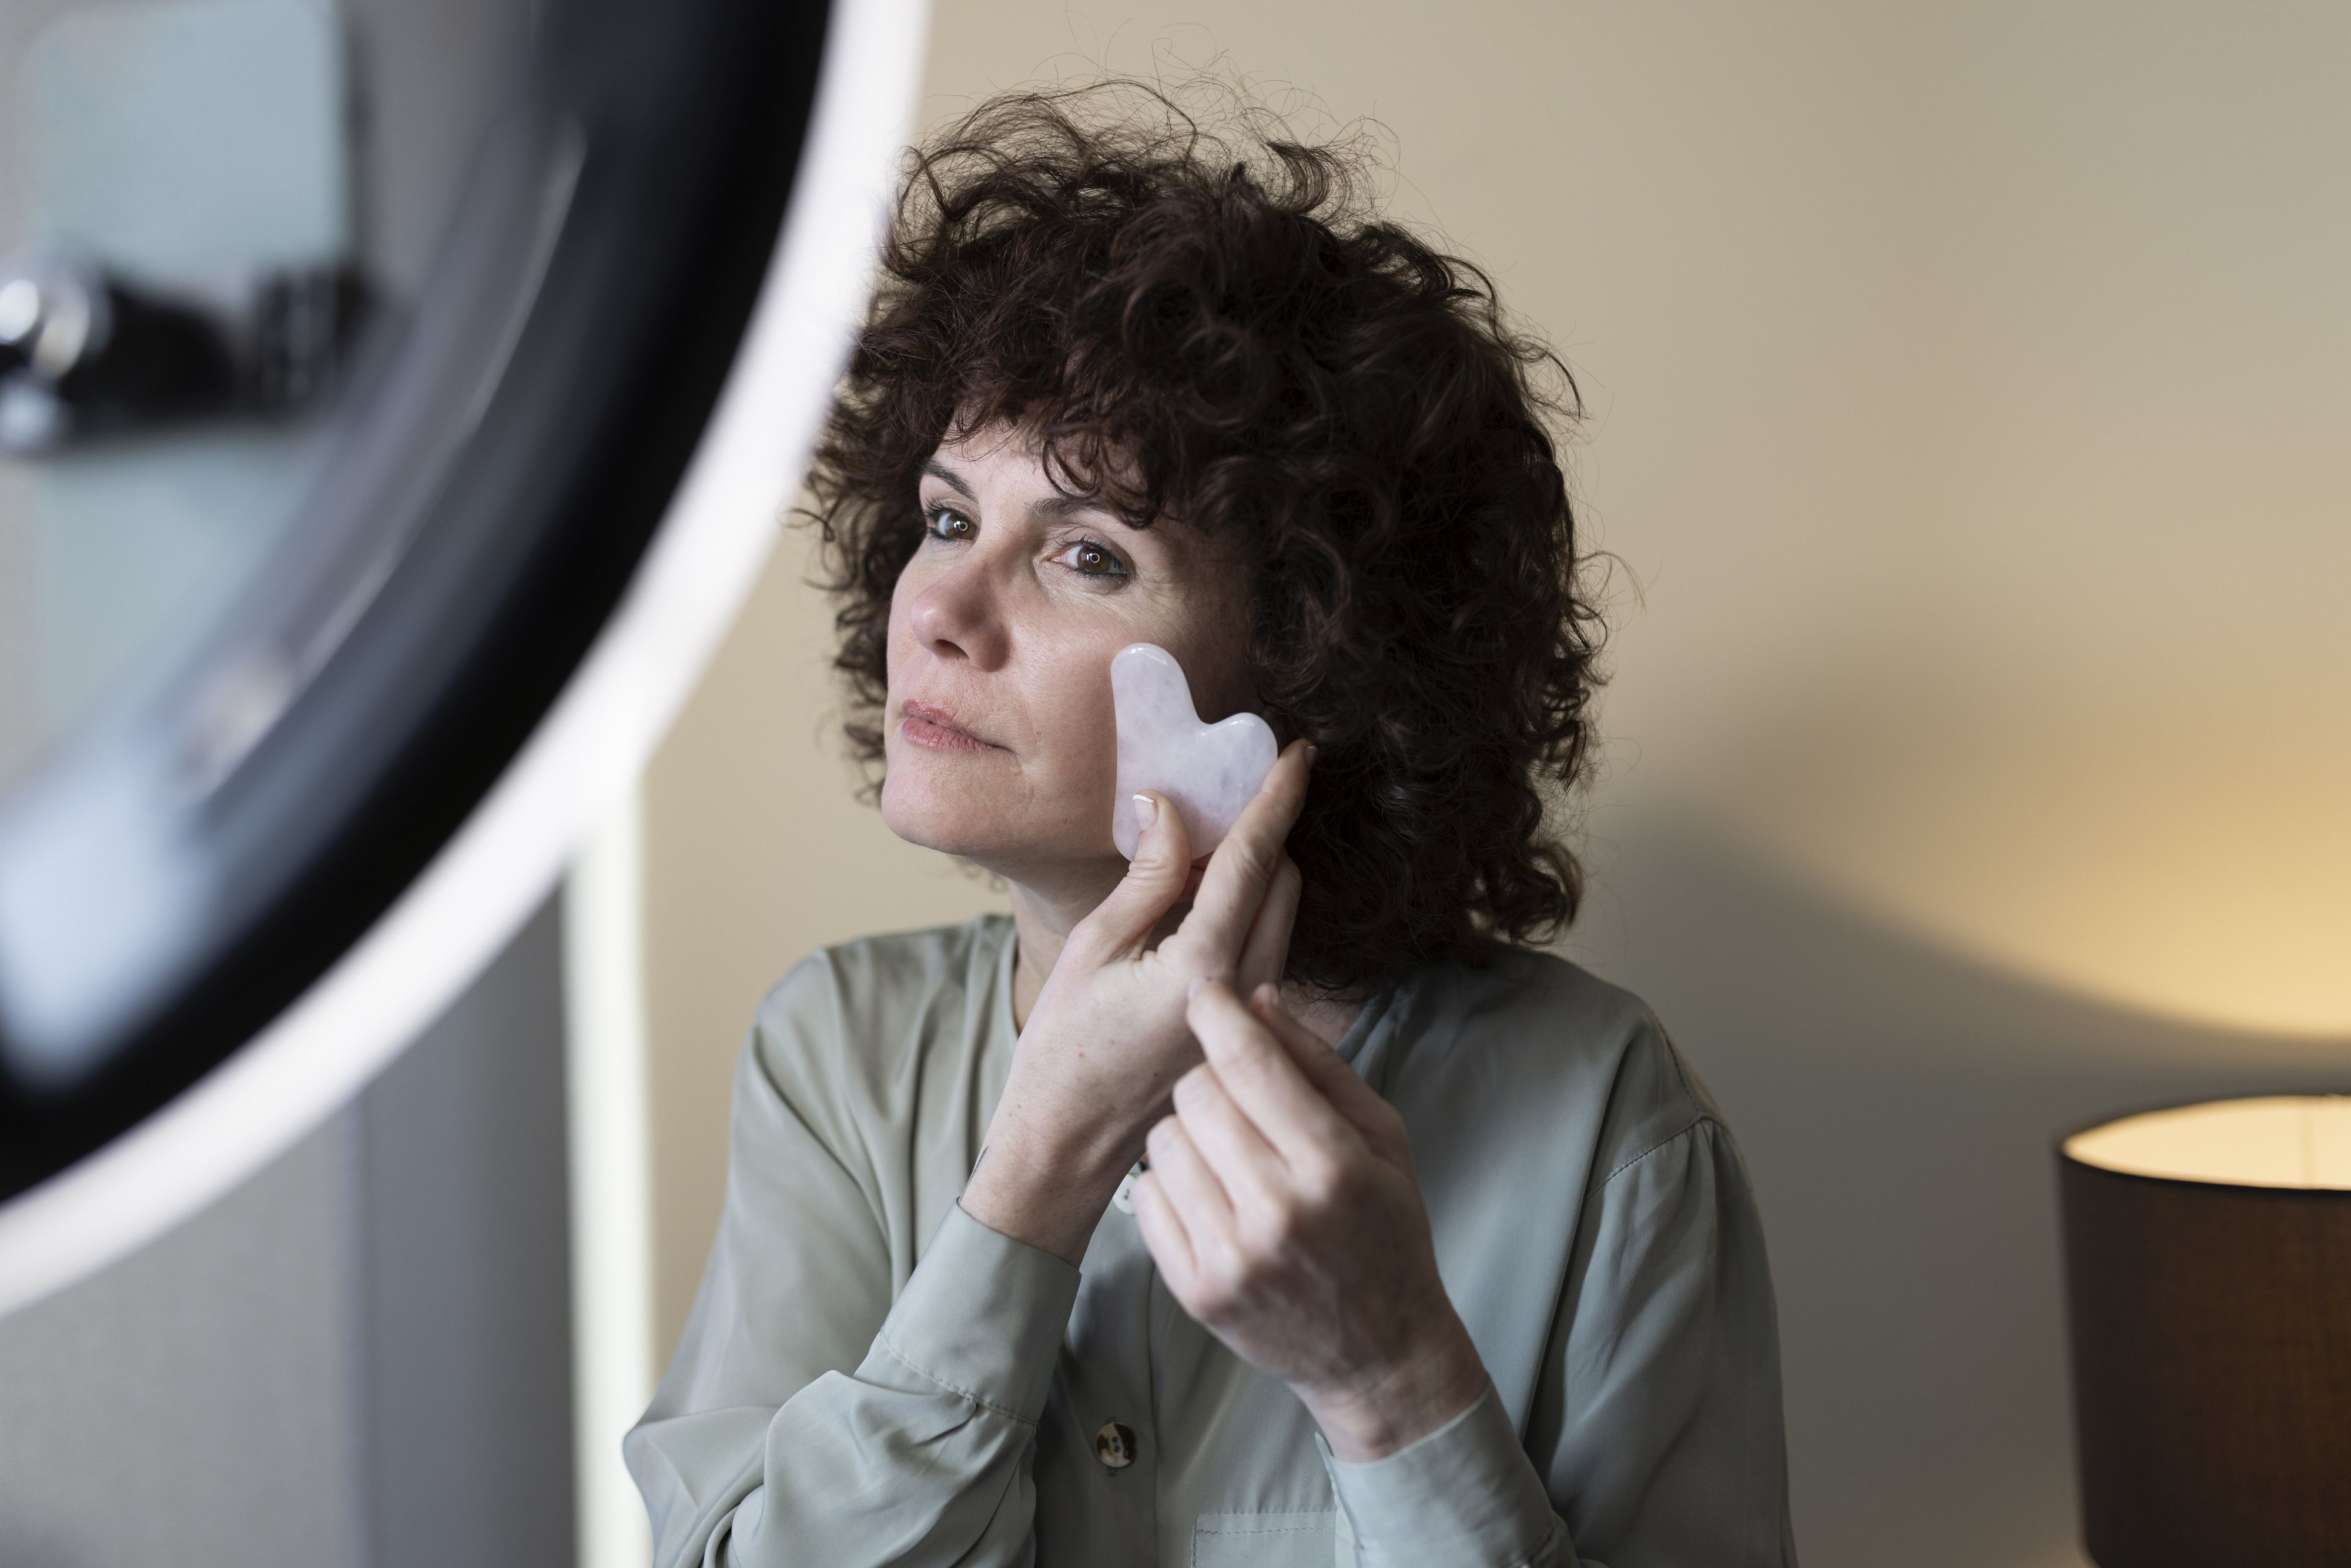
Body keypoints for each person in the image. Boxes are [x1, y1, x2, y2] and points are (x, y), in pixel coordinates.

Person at [626, 82, 1795, 1567]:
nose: (937, 609)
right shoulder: (835, 1058)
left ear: (1316, 660)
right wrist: (1034, 1177)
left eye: (1086, 554)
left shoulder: (1599, 1121)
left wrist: (1392, 1386)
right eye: (941, 518)